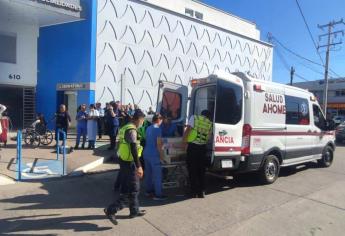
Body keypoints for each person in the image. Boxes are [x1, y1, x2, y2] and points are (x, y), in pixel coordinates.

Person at [104, 110, 146, 225]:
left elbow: (121, 145)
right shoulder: (132, 130)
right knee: (133, 190)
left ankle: (134, 210)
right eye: (142, 121)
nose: (142, 123)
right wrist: (139, 166)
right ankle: (111, 210)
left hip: (124, 161)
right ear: (138, 119)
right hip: (130, 162)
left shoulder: (124, 127)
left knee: (132, 188)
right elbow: (133, 148)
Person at [183, 110, 213, 198]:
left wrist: (184, 142)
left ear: (201, 114)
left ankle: (193, 192)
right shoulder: (210, 123)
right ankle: (202, 192)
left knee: (192, 170)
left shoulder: (194, 118)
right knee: (201, 171)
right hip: (202, 148)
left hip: (193, 147)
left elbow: (188, 130)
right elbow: (208, 137)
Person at [143, 113, 166, 200]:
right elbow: (159, 145)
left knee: (148, 174)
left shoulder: (148, 128)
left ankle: (148, 191)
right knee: (157, 175)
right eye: (162, 120)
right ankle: (158, 194)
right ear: (159, 120)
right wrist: (162, 156)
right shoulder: (158, 129)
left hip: (146, 153)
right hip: (154, 154)